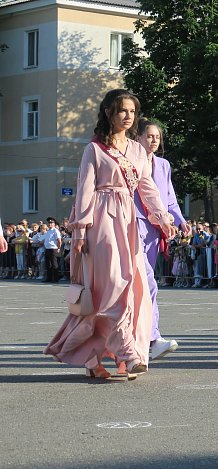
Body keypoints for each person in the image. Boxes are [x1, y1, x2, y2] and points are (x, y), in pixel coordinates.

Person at [44, 88, 177, 380]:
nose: (128, 117)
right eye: (122, 111)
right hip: (101, 221)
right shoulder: (94, 149)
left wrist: (162, 217)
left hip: (128, 222)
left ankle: (94, 357)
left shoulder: (138, 149)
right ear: (108, 112)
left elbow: (147, 188)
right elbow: (85, 191)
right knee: (113, 286)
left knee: (133, 288)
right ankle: (128, 354)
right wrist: (79, 231)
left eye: (132, 112)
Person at [134, 118, 191, 359]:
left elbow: (169, 197)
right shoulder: (131, 162)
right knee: (147, 283)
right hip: (134, 223)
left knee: (144, 284)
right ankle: (152, 338)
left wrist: (179, 219)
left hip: (156, 231)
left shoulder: (164, 165)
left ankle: (137, 337)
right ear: (138, 138)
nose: (154, 140)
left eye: (157, 137)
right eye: (149, 136)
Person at [41, 217, 62, 283]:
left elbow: (59, 241)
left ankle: (56, 278)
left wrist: (58, 248)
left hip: (53, 249)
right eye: (49, 223)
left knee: (54, 264)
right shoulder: (48, 231)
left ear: (54, 223)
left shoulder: (55, 231)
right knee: (48, 264)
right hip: (47, 249)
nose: (50, 224)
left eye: (51, 223)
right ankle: (49, 278)